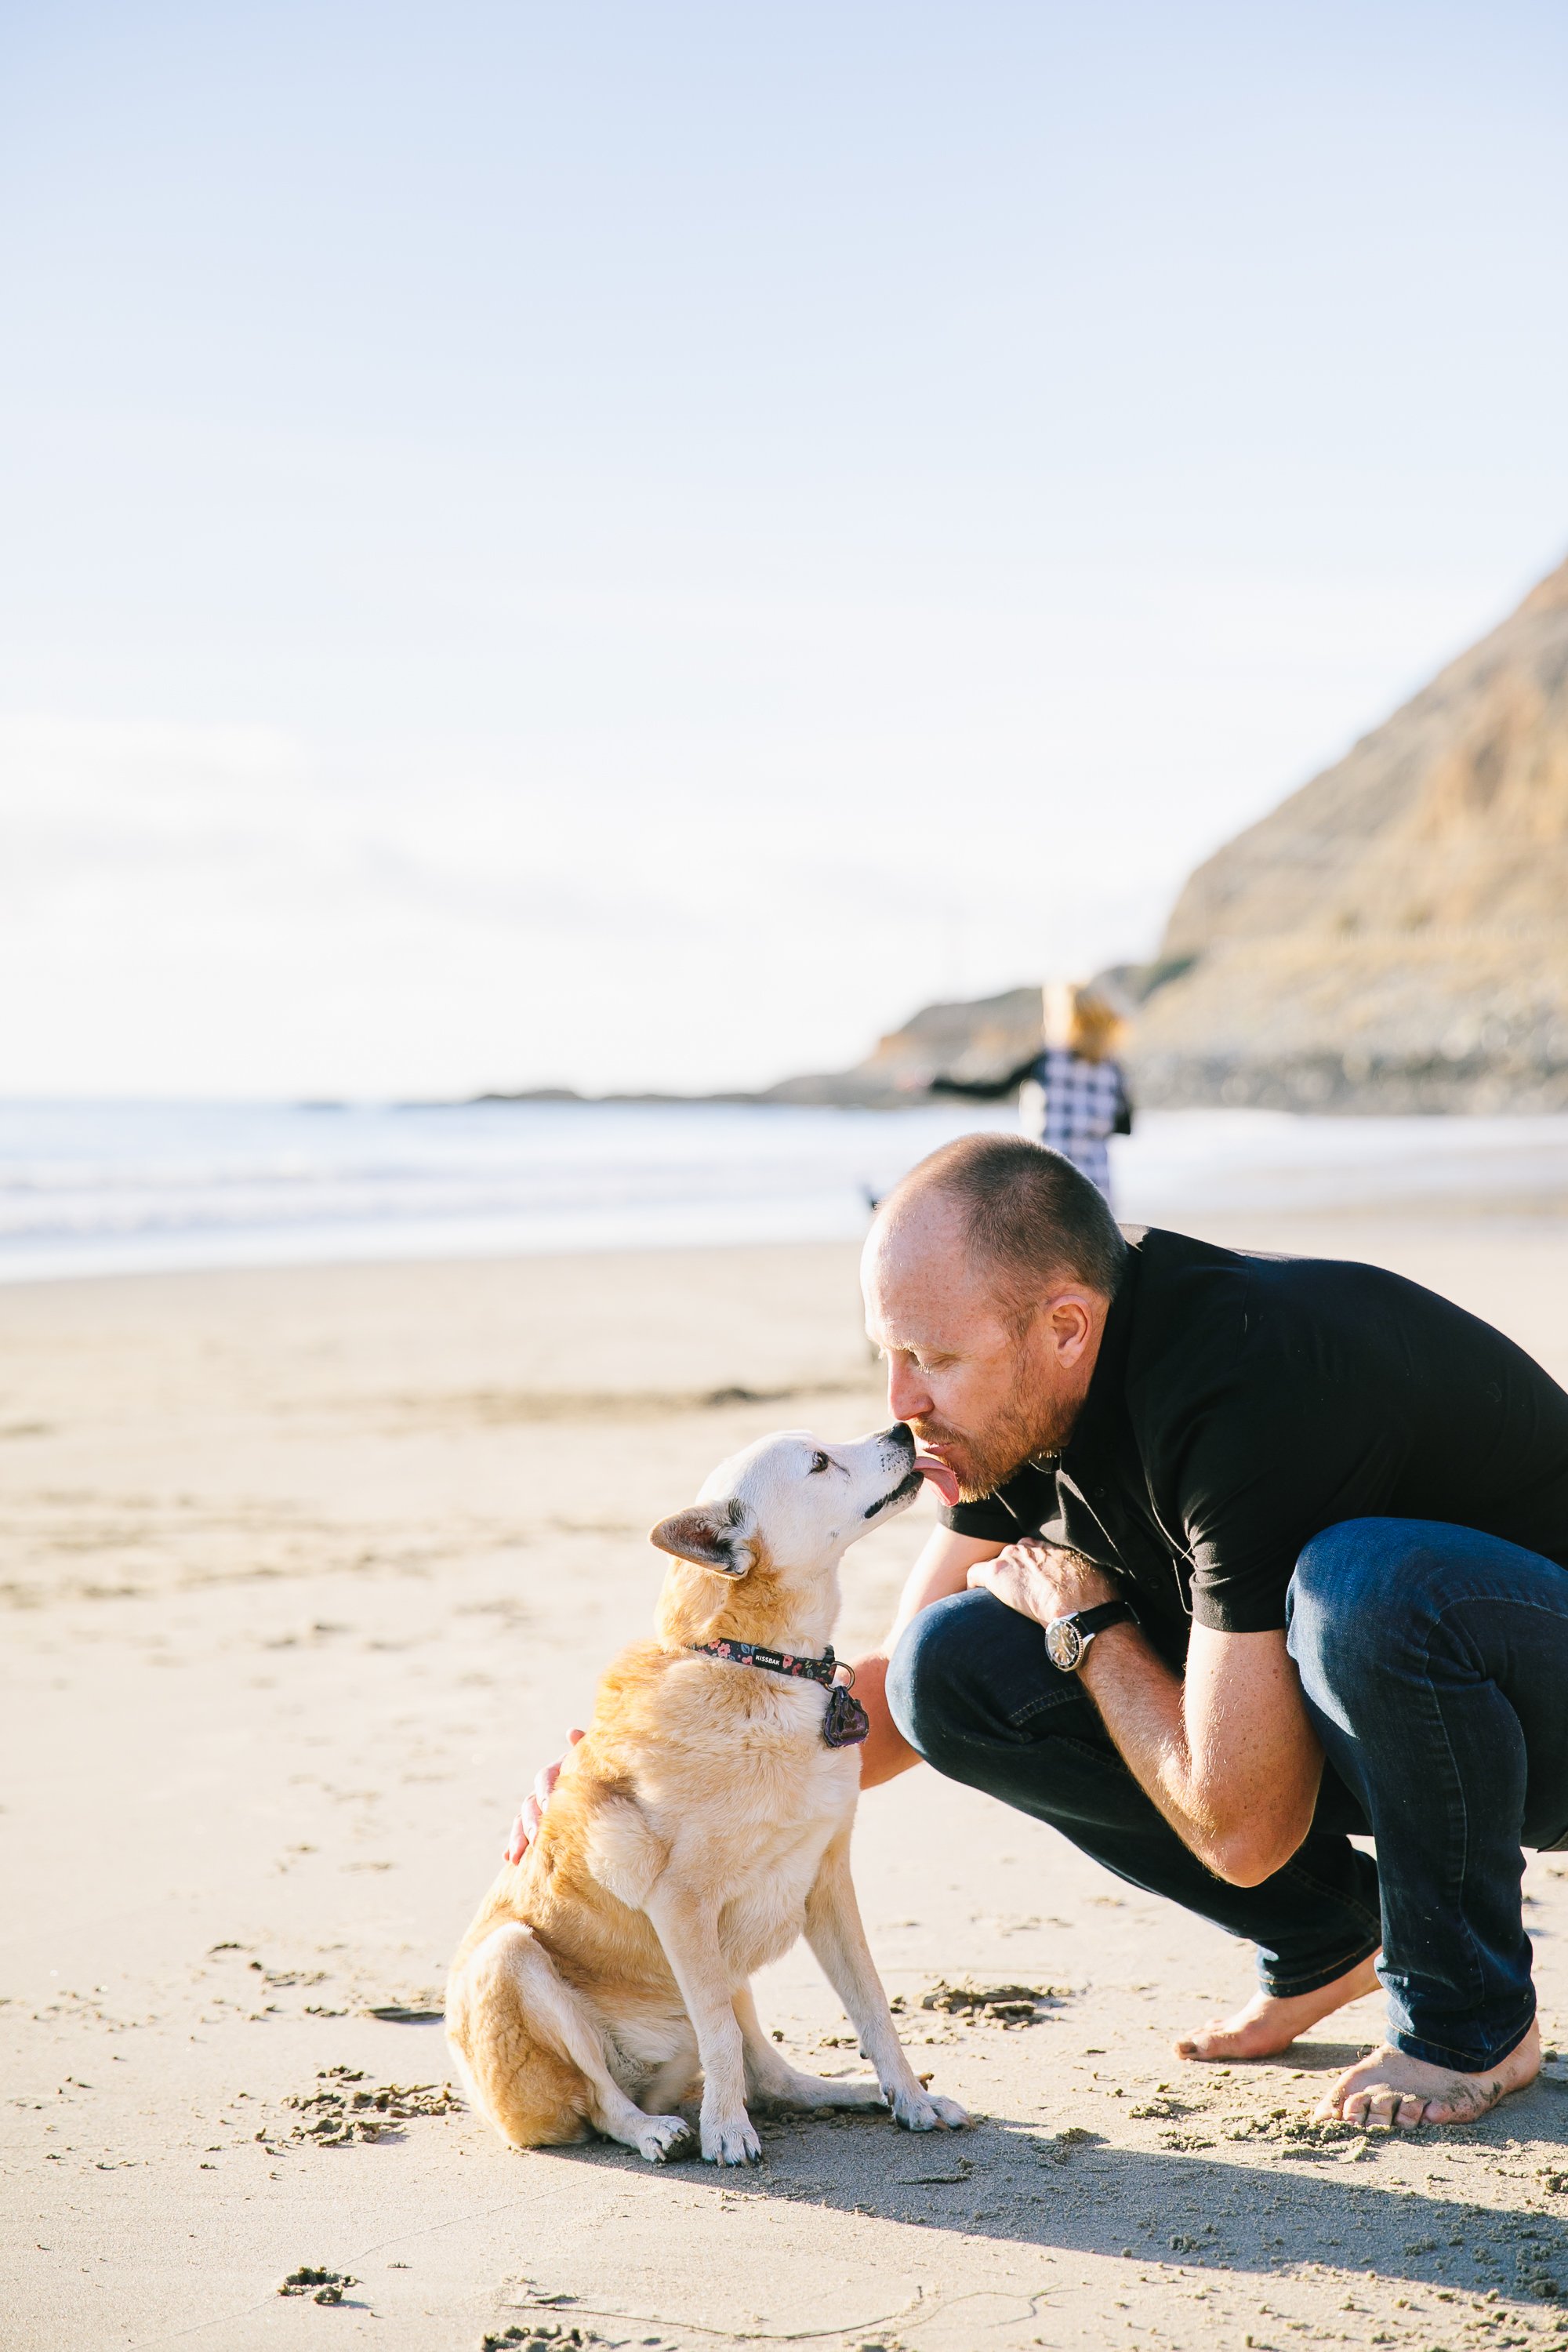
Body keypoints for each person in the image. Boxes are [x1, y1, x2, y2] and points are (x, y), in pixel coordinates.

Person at [924, 982, 1132, 1207]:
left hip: (1049, 1185)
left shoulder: (1048, 1061)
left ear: (1062, 1018)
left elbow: (994, 1090)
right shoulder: (1112, 1068)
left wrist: (935, 1083)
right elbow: (1126, 1126)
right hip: (1098, 1191)